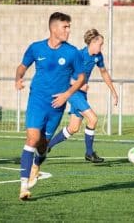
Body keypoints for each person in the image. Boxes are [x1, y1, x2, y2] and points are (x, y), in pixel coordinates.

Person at [29, 29, 118, 187]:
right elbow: (64, 74)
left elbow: (104, 73)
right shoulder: (78, 55)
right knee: (93, 119)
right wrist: (78, 85)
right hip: (72, 92)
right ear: (91, 43)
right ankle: (89, 153)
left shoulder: (98, 57)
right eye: (100, 44)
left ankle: (47, 146)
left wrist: (113, 91)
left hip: (80, 94)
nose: (101, 47)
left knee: (73, 127)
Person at [15, 12, 85, 200]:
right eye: (65, 27)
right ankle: (23, 187)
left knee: (43, 145)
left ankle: (37, 164)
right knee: (32, 138)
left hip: (57, 105)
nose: (69, 30)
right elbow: (22, 66)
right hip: (37, 100)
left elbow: (81, 78)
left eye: (69, 27)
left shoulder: (72, 52)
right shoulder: (36, 48)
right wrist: (18, 78)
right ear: (54, 28)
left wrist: (67, 95)